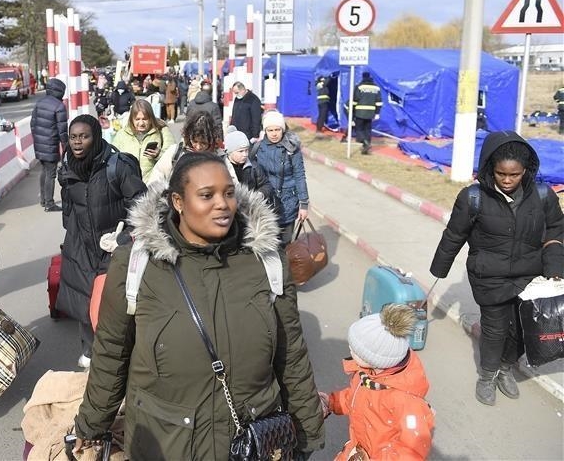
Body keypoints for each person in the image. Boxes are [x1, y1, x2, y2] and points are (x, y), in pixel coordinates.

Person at [73, 153, 325, 460]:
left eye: (229, 193)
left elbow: (291, 354)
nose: (222, 204)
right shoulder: (136, 264)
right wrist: (91, 425)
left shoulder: (267, 261)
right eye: (207, 195)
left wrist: (307, 432)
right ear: (178, 201)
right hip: (164, 445)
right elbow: (111, 352)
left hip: (251, 444)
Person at [430, 131, 563, 406]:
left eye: (514, 175)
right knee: (495, 329)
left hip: (530, 276)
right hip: (489, 276)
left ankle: (506, 367)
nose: (507, 180)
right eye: (501, 173)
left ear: (525, 170)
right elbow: (454, 235)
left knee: (525, 329)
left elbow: (557, 229)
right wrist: (439, 269)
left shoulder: (542, 195)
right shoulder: (473, 197)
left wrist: (554, 266)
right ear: (491, 168)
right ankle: (487, 375)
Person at [56, 114, 147, 369]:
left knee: (112, 310)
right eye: (73, 137)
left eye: (84, 136)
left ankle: (122, 364)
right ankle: (92, 360)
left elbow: (144, 206)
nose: (77, 142)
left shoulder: (116, 167)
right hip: (80, 249)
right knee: (84, 305)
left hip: (114, 251)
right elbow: (68, 211)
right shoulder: (67, 168)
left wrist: (123, 237)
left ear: (95, 138)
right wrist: (73, 240)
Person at [320, 304, 435, 461]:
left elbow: (411, 451)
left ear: (375, 359)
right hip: (358, 450)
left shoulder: (406, 401)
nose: (350, 349)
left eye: (355, 350)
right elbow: (356, 398)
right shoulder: (369, 376)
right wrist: (332, 402)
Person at [252, 111, 309, 245]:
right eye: (270, 130)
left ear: (282, 129)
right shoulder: (257, 148)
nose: (274, 133)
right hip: (266, 202)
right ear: (265, 130)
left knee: (285, 243)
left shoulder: (291, 148)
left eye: (277, 129)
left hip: (288, 201)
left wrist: (304, 204)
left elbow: (299, 175)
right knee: (267, 244)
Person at [147, 110, 223, 184]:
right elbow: (157, 177)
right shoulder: (175, 152)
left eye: (203, 143)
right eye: (195, 141)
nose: (198, 147)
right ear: (188, 136)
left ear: (211, 139)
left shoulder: (220, 157)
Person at [111, 99, 176, 181]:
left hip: (154, 187)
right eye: (137, 119)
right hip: (128, 187)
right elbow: (112, 158)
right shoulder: (122, 134)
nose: (141, 123)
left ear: (151, 118)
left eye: (145, 119)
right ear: (132, 119)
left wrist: (159, 154)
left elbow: (173, 156)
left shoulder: (162, 131)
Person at [31, 78, 69, 212]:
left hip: (39, 144)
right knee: (51, 174)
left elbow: (33, 124)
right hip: (50, 145)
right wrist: (66, 148)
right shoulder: (59, 106)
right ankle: (49, 203)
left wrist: (37, 139)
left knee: (44, 171)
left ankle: (43, 200)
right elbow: (62, 131)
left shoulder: (39, 103)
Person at [223, 128, 277, 214]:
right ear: (230, 151)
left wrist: (260, 194)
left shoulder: (254, 167)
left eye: (246, 150)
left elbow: (266, 185)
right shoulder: (221, 168)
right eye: (240, 151)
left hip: (249, 212)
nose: (245, 154)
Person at [351, 71, 382, 154]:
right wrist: (377, 113)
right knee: (368, 130)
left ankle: (365, 143)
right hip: (371, 113)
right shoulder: (376, 88)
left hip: (360, 112)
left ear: (363, 77)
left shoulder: (359, 87)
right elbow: (379, 102)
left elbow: (355, 100)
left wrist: (352, 112)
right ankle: (366, 148)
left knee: (359, 129)